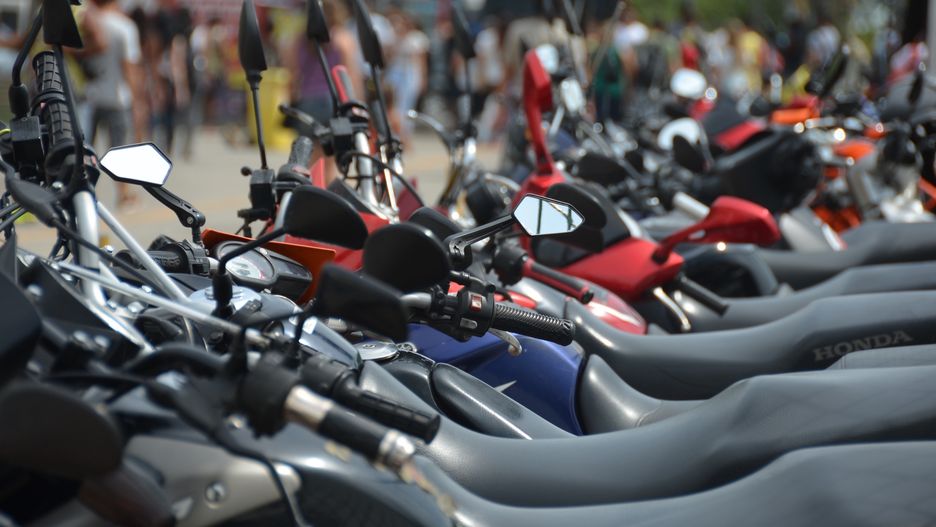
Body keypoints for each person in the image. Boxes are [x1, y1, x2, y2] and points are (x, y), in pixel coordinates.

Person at [282, 0, 362, 183]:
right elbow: (350, 76)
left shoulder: (301, 40)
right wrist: (356, 105)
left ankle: (309, 190)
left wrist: (292, 100)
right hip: (331, 102)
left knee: (306, 158)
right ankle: (325, 193)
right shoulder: (342, 39)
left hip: (307, 102)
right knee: (329, 160)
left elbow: (293, 75)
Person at [78, 0, 142, 209]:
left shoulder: (88, 21)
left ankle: (83, 192)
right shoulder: (125, 27)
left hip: (90, 95)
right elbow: (129, 67)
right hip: (117, 97)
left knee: (86, 149)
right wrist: (138, 102)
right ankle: (123, 195)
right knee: (119, 149)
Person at [385, 11, 429, 145]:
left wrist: (422, 78)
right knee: (394, 105)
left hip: (410, 75)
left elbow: (421, 61)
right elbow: (388, 57)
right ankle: (397, 133)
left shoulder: (416, 38)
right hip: (395, 74)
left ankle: (405, 135)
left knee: (407, 105)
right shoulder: (393, 38)